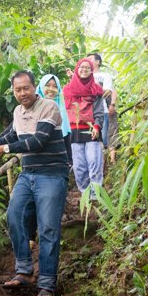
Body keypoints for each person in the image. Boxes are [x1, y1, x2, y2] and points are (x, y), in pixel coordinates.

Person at [0, 70, 68, 296]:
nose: (22, 93)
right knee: (14, 215)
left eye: (26, 88)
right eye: (17, 90)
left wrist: (4, 150)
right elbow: (11, 135)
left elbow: (39, 140)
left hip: (52, 174)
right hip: (28, 174)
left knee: (48, 228)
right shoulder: (18, 111)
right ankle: (24, 271)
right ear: (14, 91)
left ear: (34, 88)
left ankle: (47, 284)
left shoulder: (49, 107)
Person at [63, 59, 104, 200]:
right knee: (79, 165)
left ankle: (96, 194)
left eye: (88, 68)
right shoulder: (67, 90)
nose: (84, 70)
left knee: (94, 161)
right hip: (74, 131)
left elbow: (99, 111)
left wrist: (97, 127)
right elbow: (63, 112)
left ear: (92, 71)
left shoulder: (96, 90)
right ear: (77, 69)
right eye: (82, 67)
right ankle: (85, 193)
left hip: (92, 130)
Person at [87, 53, 118, 163]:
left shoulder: (105, 75)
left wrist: (112, 104)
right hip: (87, 113)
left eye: (90, 59)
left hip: (102, 110)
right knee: (93, 138)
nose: (88, 60)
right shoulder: (85, 76)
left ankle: (109, 163)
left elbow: (108, 91)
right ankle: (99, 163)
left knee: (106, 136)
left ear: (98, 62)